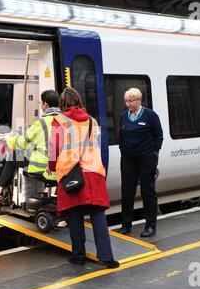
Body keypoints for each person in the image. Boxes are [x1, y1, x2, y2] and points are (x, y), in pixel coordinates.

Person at [48, 87, 119, 269]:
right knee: (97, 215)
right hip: (94, 171)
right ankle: (106, 257)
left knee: (74, 216)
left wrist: (51, 168)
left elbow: (53, 149)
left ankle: (78, 255)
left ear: (62, 103)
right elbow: (98, 146)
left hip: (71, 173)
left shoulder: (58, 121)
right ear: (79, 101)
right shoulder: (93, 121)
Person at [0, 90, 61, 196]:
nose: (40, 105)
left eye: (41, 103)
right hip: (61, 167)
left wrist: (7, 140)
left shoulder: (42, 123)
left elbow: (23, 141)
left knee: (13, 157)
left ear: (46, 104)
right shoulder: (65, 121)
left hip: (43, 166)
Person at [118, 88, 163, 238]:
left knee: (147, 191)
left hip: (146, 159)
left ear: (139, 100)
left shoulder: (150, 115)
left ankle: (150, 226)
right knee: (127, 191)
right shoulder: (123, 117)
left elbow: (159, 135)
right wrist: (123, 151)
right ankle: (126, 225)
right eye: (126, 101)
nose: (128, 104)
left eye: (131, 101)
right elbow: (121, 137)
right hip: (128, 160)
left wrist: (154, 153)